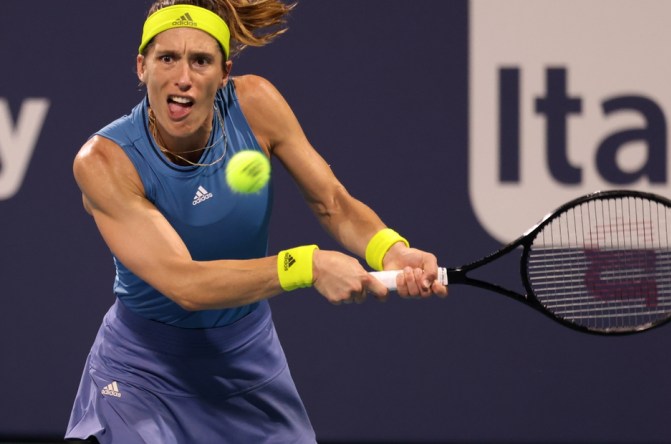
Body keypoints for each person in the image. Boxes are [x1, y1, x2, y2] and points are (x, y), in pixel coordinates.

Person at [65, 0, 447, 442]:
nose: (182, 78)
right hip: (142, 373)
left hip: (247, 361)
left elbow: (333, 203)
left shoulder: (256, 103)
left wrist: (393, 250)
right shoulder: (104, 161)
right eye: (166, 58)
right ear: (141, 67)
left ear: (224, 73)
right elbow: (184, 283)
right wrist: (307, 266)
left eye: (201, 61)